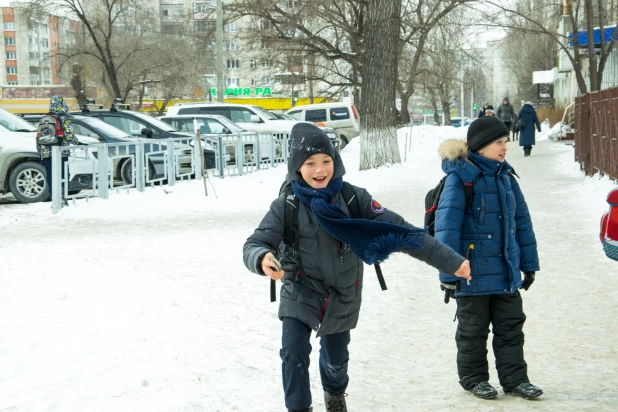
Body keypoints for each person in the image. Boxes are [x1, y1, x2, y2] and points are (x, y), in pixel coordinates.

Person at [243, 123, 472, 412]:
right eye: (310, 163)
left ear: (335, 162)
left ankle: (335, 395)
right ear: (296, 167)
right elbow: (254, 243)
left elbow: (401, 231)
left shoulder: (354, 199)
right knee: (293, 352)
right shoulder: (286, 204)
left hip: (342, 292)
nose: (319, 170)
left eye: (326, 161)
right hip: (300, 289)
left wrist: (451, 261)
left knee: (336, 359)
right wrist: (262, 257)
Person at [434, 116, 543, 401]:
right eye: (499, 142)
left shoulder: (506, 176)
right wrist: (449, 274)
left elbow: (522, 223)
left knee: (511, 330)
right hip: (471, 275)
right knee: (472, 332)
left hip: (507, 272)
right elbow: (447, 228)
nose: (505, 147)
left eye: (506, 141)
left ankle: (516, 380)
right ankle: (474, 379)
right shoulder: (460, 179)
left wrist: (528, 265)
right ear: (481, 146)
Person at [37, 96, 80, 201]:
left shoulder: (45, 118)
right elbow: (69, 135)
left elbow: (38, 137)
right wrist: (78, 142)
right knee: (63, 174)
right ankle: (63, 196)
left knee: (51, 174)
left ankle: (53, 196)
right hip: (61, 151)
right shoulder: (63, 117)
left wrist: (40, 152)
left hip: (47, 151)